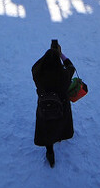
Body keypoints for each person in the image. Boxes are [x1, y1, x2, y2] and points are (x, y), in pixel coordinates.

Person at [31, 39, 76, 167]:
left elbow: (35, 66)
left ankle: (50, 153)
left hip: (44, 108)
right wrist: (60, 54)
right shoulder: (64, 75)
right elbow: (71, 66)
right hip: (61, 107)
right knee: (60, 125)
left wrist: (50, 53)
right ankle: (60, 136)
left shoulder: (38, 74)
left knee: (46, 129)